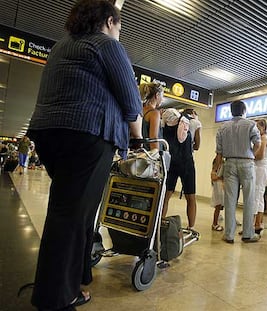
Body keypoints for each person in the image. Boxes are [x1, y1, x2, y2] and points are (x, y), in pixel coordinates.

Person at [26, 1, 143, 310]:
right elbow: (132, 102)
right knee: (71, 214)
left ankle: (76, 278)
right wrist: (140, 139)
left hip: (48, 135)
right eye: (119, 26)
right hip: (88, 136)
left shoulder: (62, 45)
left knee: (74, 211)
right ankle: (56, 295)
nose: (120, 32)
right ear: (109, 21)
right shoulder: (107, 44)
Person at [213, 100, 261, 243]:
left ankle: (229, 235)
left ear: (231, 111)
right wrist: (251, 154)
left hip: (230, 164)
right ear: (244, 111)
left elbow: (219, 153)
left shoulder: (223, 128)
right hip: (247, 163)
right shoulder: (251, 124)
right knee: (249, 200)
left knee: (230, 200)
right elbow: (258, 143)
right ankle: (248, 234)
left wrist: (216, 170)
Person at [162, 111, 197, 231]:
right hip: (187, 163)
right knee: (191, 197)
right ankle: (191, 227)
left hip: (170, 163)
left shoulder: (164, 127)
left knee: (165, 196)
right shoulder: (190, 123)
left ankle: (160, 222)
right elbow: (197, 145)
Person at [253, 118, 267, 234]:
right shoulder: (263, 138)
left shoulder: (264, 138)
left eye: (257, 127)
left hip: (260, 170)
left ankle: (255, 224)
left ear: (263, 127)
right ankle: (257, 223)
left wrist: (248, 155)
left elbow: (259, 156)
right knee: (259, 197)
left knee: (256, 197)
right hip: (261, 170)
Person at [140, 82, 164, 150]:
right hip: (148, 156)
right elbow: (153, 139)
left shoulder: (139, 109)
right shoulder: (154, 113)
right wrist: (157, 158)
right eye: (162, 96)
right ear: (157, 95)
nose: (162, 100)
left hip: (137, 153)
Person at [210, 157, 224, 231]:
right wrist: (221, 178)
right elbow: (213, 177)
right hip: (218, 188)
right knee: (218, 206)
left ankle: (216, 223)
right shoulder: (217, 165)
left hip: (220, 187)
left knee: (219, 206)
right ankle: (214, 224)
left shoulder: (223, 163)